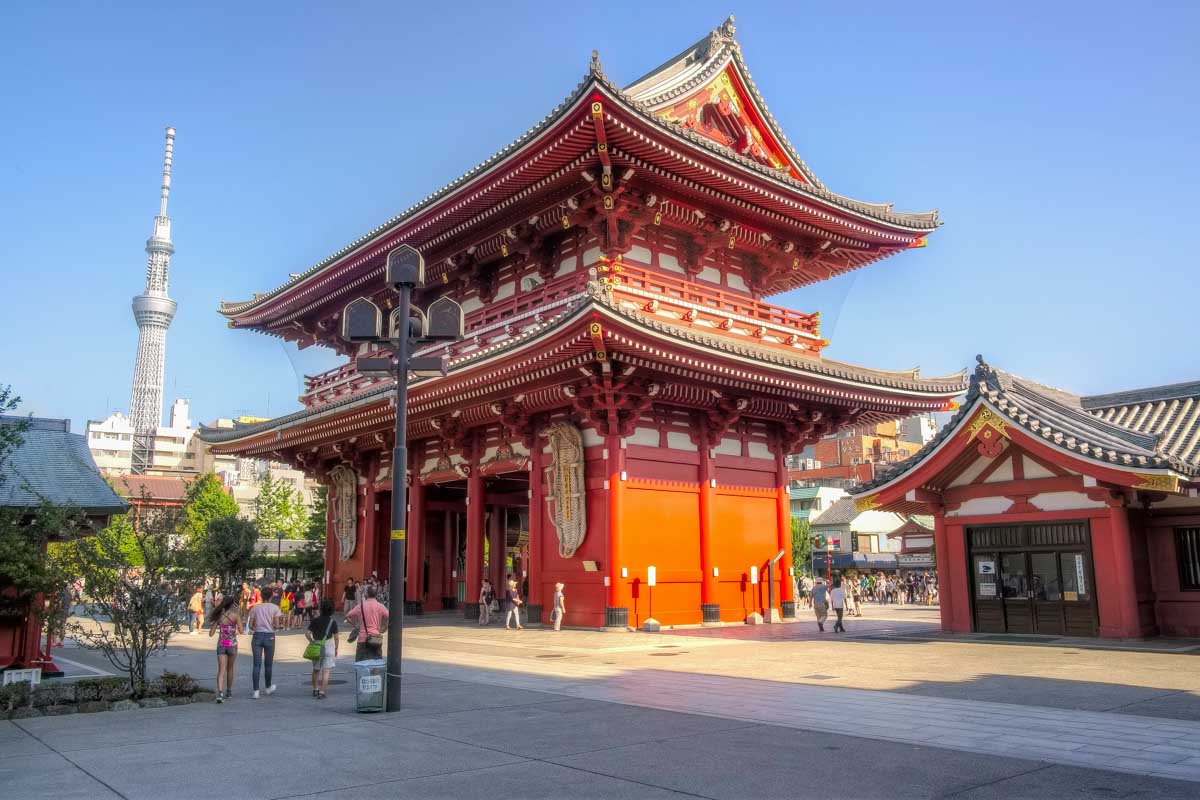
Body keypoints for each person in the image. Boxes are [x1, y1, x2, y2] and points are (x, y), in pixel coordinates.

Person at [247, 589, 282, 699]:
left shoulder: (255, 608)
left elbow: (251, 625)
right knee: (268, 664)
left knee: (256, 665)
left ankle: (256, 691)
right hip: (269, 636)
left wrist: (256, 627)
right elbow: (276, 625)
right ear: (271, 596)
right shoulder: (275, 608)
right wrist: (277, 626)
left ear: (261, 596)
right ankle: (268, 687)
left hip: (257, 636)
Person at [207, 597, 240, 703]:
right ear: (232, 605)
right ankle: (229, 691)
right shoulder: (236, 615)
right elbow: (242, 630)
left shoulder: (219, 617)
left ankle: (220, 693)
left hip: (221, 645)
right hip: (232, 645)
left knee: (221, 670)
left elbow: (211, 634)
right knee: (230, 669)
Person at [305, 598, 339, 699]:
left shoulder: (315, 620)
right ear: (332, 610)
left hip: (316, 646)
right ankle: (322, 691)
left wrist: (311, 641)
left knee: (316, 670)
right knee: (326, 671)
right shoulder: (333, 622)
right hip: (328, 645)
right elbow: (336, 637)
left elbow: (307, 633)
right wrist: (336, 648)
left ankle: (315, 689)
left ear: (321, 609)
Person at [345, 585, 389, 661]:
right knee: (376, 664)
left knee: (361, 664)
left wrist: (355, 626)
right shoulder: (380, 606)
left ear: (366, 594)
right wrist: (384, 628)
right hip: (376, 637)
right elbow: (390, 617)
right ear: (376, 595)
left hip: (363, 638)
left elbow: (347, 616)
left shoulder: (360, 606)